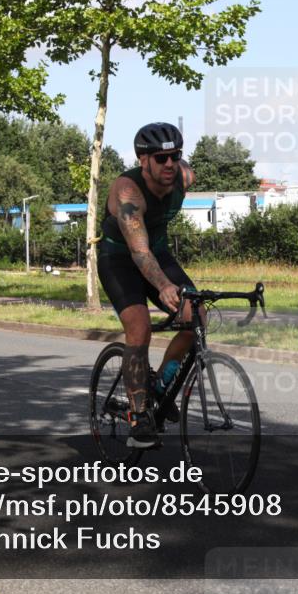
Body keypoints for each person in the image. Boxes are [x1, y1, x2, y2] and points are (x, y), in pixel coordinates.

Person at [97, 122, 204, 449]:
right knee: (139, 328)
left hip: (156, 252)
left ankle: (160, 386)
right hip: (120, 260)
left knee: (195, 316)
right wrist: (163, 286)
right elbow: (138, 252)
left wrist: (173, 287)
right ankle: (138, 414)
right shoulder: (127, 192)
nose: (170, 164)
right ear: (143, 161)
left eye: (175, 155)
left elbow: (151, 251)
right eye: (161, 158)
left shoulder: (184, 178)